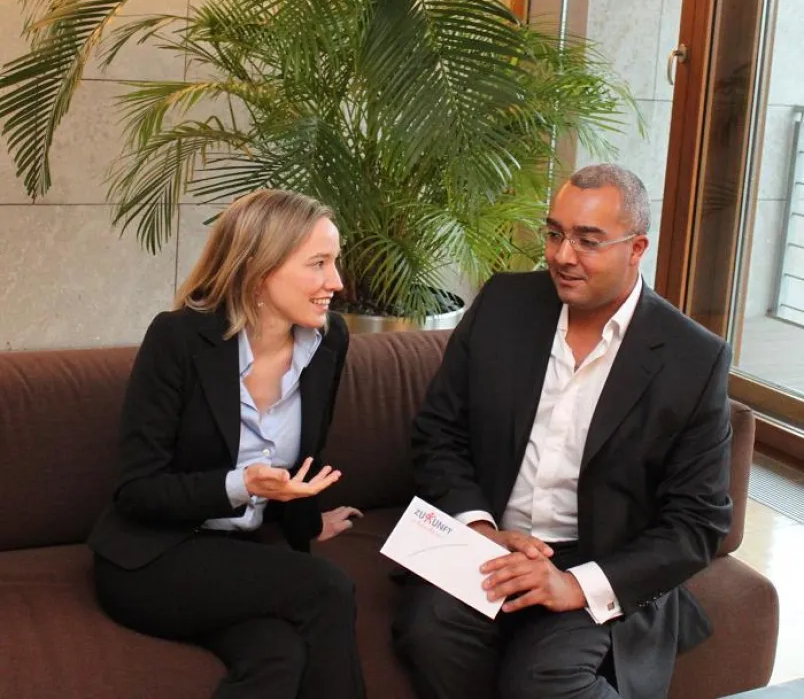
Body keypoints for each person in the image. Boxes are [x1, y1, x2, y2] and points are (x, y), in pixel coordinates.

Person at [392, 164, 732, 699]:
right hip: (491, 544)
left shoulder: (693, 358)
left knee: (543, 681)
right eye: (555, 233)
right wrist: (478, 529)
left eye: (587, 240)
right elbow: (440, 432)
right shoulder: (504, 304)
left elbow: (698, 522)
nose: (561, 255)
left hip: (598, 559)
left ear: (636, 247)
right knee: (430, 631)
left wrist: (574, 585)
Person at [89, 189, 366, 699]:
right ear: (261, 271)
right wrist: (241, 486)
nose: (337, 283)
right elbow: (136, 491)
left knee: (279, 657)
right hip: (154, 557)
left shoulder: (329, 339)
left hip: (235, 555)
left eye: (335, 262)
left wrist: (304, 517)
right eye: (319, 264)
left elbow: (309, 454)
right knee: (328, 587)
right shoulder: (178, 340)